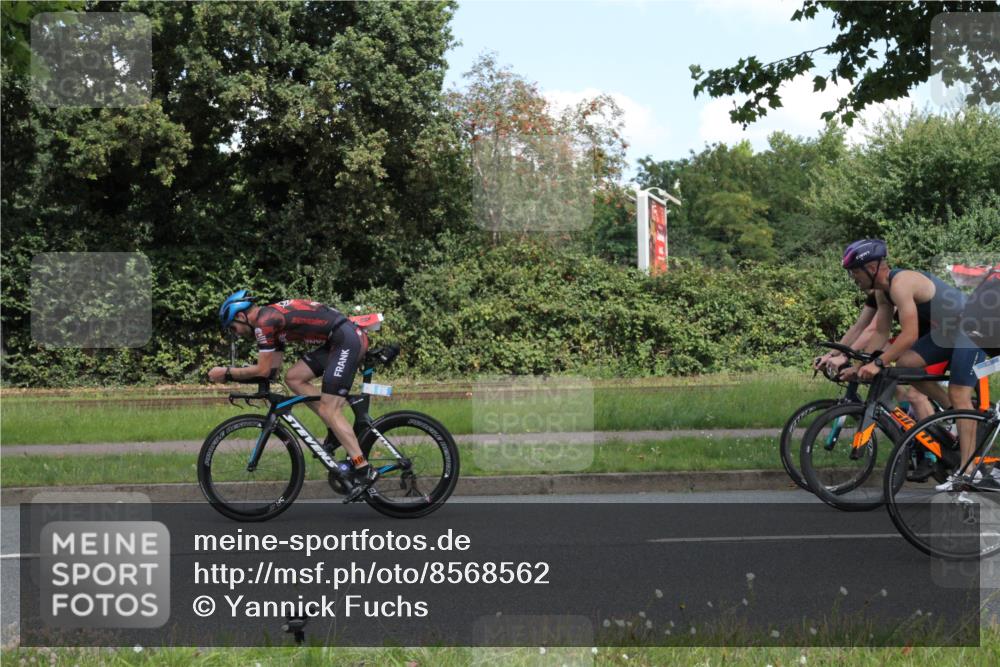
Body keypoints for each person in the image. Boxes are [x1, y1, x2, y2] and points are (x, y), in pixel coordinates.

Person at [839, 240, 986, 490]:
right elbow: (881, 334)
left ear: (872, 267)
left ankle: (968, 469)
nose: (853, 277)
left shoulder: (901, 283)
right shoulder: (882, 292)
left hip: (975, 327)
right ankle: (954, 411)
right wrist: (859, 362)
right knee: (907, 363)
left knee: (959, 392)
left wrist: (878, 363)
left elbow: (909, 334)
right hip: (950, 332)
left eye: (855, 271)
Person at [208, 290, 378, 502]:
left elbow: (262, 369)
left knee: (329, 409)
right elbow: (272, 371)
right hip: (338, 339)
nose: (237, 333)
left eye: (233, 328)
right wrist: (241, 380)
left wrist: (227, 372)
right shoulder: (269, 322)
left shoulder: (265, 322)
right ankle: (334, 428)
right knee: (294, 378)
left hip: (345, 340)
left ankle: (363, 468)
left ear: (242, 317)